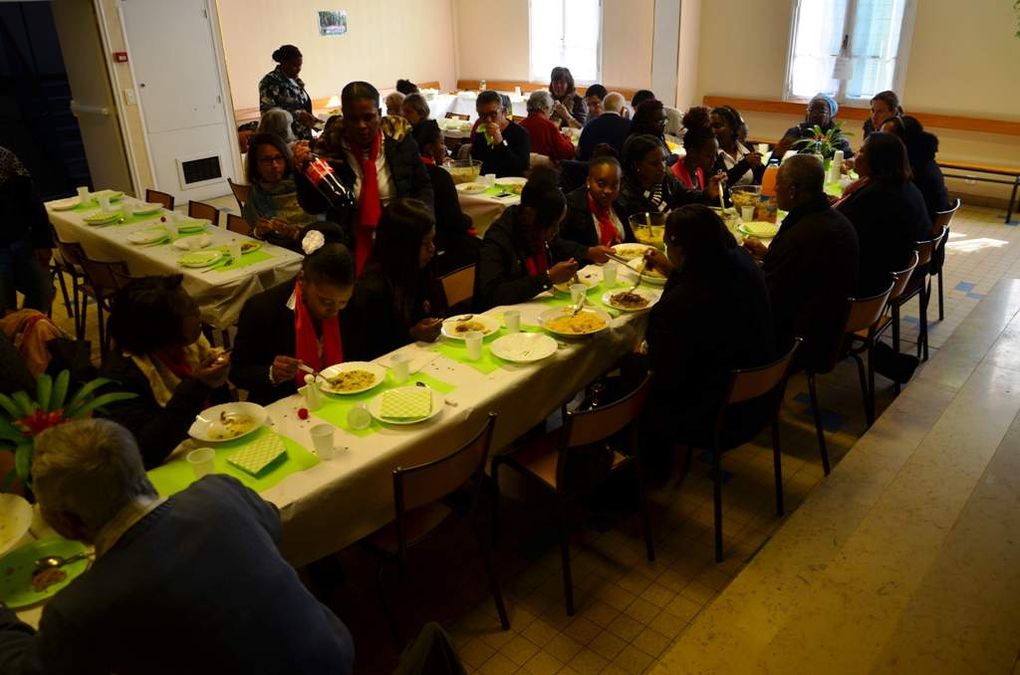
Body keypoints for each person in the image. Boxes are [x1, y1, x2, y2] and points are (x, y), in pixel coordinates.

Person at [0, 418, 354, 674]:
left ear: (68, 524)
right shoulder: (221, 492)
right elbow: (271, 528)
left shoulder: (80, 607)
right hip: (332, 654)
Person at [642, 205, 775, 445]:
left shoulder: (681, 303)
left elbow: (665, 375)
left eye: (667, 245)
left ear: (681, 251)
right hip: (762, 396)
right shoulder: (743, 262)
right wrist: (676, 270)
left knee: (628, 376)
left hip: (715, 413)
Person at [294, 81, 433, 275]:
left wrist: (422, 226)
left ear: (380, 113)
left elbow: (423, 186)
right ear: (344, 116)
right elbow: (314, 206)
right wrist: (302, 173)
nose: (361, 126)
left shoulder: (399, 138)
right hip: (350, 241)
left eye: (368, 117)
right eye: (353, 118)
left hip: (402, 236)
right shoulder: (328, 148)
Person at [97, 276, 230, 469]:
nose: (198, 313)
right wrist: (197, 385)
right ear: (163, 329)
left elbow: (220, 408)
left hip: (211, 444)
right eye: (190, 311)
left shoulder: (193, 348)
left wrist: (215, 379)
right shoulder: (121, 378)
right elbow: (145, 451)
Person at [743, 155, 859, 372]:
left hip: (798, 340)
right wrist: (769, 256)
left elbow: (771, 297)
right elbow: (801, 274)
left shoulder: (802, 234)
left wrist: (744, 268)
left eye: (779, 184)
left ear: (793, 191)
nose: (775, 188)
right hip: (831, 330)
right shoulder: (835, 220)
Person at [231, 236, 363, 404]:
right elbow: (237, 372)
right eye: (325, 301)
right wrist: (272, 373)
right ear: (302, 280)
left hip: (343, 395)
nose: (334, 311)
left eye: (342, 302)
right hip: (285, 402)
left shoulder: (357, 302)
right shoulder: (264, 309)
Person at [476, 168, 610, 309]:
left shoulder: (534, 227)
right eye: (552, 226)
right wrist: (547, 278)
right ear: (530, 214)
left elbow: (557, 244)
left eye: (558, 224)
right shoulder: (499, 239)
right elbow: (492, 294)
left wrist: (588, 252)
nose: (555, 232)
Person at [836, 132, 931, 296]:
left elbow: (839, 230)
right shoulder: (903, 185)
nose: (856, 156)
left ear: (877, 160)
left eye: (862, 151)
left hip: (873, 281)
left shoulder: (877, 196)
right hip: (897, 269)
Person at [356, 199, 443, 357]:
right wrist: (411, 335)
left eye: (432, 241)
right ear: (404, 246)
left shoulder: (423, 266)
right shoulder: (372, 289)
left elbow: (439, 308)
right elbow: (372, 350)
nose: (432, 249)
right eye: (425, 243)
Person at [413, 120, 477, 272]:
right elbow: (454, 220)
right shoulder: (438, 175)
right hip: (440, 242)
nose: (445, 149)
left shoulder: (407, 169)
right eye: (442, 143)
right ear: (429, 149)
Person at [243, 133, 321, 250]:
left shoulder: (303, 183)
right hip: (277, 253)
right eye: (266, 160)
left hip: (315, 250)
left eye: (278, 158)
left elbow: (325, 226)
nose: (274, 165)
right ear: (255, 165)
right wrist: (258, 231)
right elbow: (252, 236)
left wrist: (295, 234)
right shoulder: (256, 194)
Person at [0, 147, 52, 314]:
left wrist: (42, 242)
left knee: (44, 289)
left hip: (21, 240)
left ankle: (25, 329)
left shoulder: (4, 158)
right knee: (4, 306)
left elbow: (32, 201)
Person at [618, 135, 714, 218]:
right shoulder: (626, 195)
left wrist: (707, 193)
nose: (662, 167)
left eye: (664, 160)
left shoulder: (666, 178)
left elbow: (687, 196)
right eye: (654, 164)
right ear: (637, 165)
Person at [881, 115, 949, 221]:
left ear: (904, 141)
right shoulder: (922, 159)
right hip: (927, 226)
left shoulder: (912, 171)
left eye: (886, 138)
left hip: (920, 231)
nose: (879, 142)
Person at [561, 154, 634, 251]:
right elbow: (554, 242)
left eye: (614, 186)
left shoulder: (621, 203)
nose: (608, 191)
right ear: (588, 181)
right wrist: (587, 252)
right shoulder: (571, 205)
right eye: (601, 184)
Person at [259, 44, 316, 141]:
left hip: (304, 138)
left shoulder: (296, 81)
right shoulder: (270, 81)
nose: (298, 69)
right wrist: (298, 115)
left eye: (300, 65)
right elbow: (269, 114)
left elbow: (302, 107)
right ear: (284, 63)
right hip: (286, 139)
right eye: (294, 65)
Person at [470, 89, 530, 178]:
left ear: (504, 112)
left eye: (493, 114)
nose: (488, 120)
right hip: (484, 184)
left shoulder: (520, 133)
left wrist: (501, 143)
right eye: (483, 115)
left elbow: (521, 167)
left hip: (510, 184)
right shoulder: (481, 132)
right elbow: (475, 162)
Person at [671, 116, 728, 202]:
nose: (714, 160)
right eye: (709, 156)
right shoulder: (675, 174)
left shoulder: (698, 170)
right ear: (692, 153)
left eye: (714, 156)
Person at [782, 93, 853, 158]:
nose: (815, 114)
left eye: (821, 111)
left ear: (831, 115)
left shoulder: (838, 139)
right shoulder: (796, 132)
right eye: (811, 110)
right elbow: (777, 158)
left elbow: (847, 161)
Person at [711, 105, 764, 186]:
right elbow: (719, 184)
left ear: (733, 128)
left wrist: (776, 155)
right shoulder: (710, 154)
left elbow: (762, 178)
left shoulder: (747, 149)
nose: (712, 130)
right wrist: (745, 164)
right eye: (710, 126)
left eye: (717, 126)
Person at [520, 90, 576, 162]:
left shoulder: (520, 125)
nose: (550, 113)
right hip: (545, 170)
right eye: (550, 109)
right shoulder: (548, 126)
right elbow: (567, 153)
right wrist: (567, 138)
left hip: (523, 169)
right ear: (545, 108)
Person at [577, 92, 632, 161]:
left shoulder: (589, 125)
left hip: (590, 168)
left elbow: (580, 152)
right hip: (619, 169)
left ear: (603, 107)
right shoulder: (630, 126)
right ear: (622, 110)